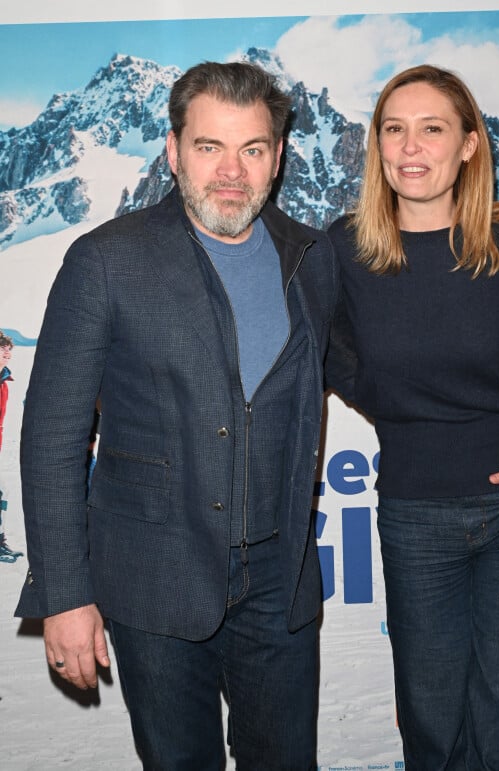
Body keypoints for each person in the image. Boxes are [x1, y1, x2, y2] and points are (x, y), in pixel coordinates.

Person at [16, 61, 338, 770]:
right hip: (153, 584)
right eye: (208, 147)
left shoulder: (313, 259)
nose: (232, 171)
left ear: (278, 157)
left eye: (252, 149)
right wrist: (65, 596)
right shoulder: (105, 260)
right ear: (172, 150)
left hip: (280, 585)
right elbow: (53, 438)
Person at [326, 64, 499, 770]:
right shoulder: (344, 249)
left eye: (432, 129)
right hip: (415, 515)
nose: (411, 148)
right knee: (433, 725)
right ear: (376, 145)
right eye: (394, 130)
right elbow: (328, 355)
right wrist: (402, 413)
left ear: (469, 144)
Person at [0, 330, 23, 562]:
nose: (7, 352)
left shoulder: (4, 380)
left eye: (9, 348)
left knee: (2, 491)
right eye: (2, 348)